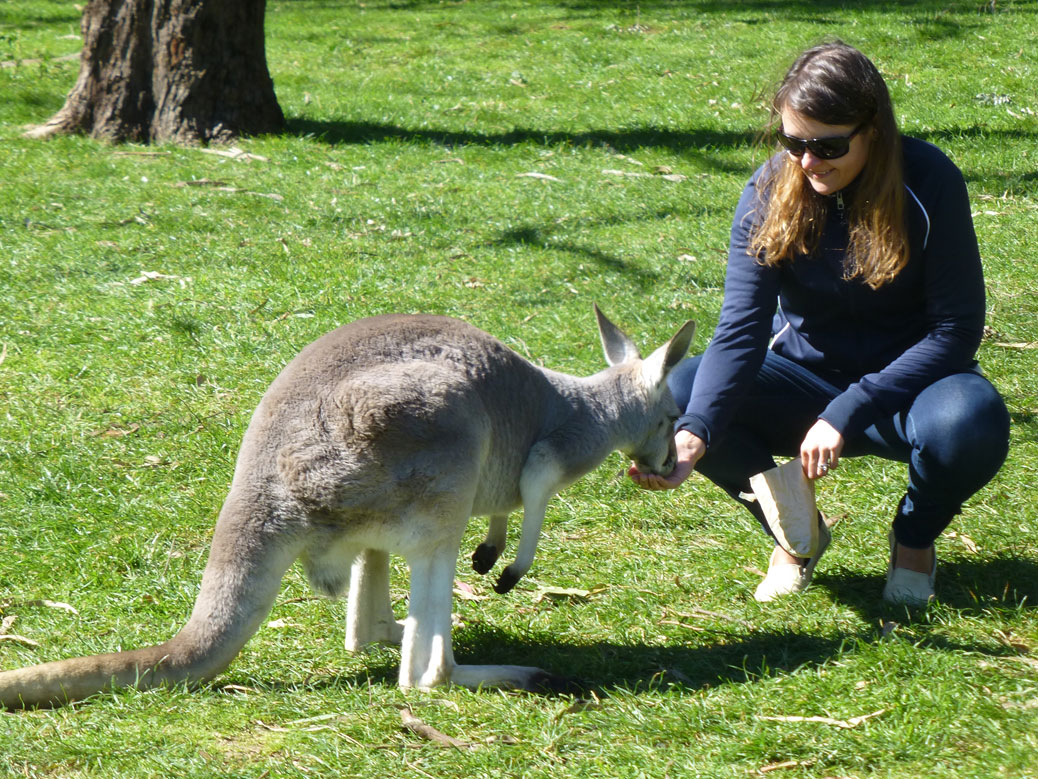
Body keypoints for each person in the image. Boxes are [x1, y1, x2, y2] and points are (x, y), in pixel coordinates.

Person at [631, 41, 1010, 606]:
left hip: (911, 388)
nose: (808, 162)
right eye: (793, 142)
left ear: (873, 131)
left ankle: (913, 541)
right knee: (682, 394)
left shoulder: (929, 179)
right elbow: (740, 329)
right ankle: (795, 530)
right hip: (801, 380)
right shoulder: (767, 190)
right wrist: (695, 435)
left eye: (828, 145)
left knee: (969, 424)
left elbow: (955, 328)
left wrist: (848, 410)